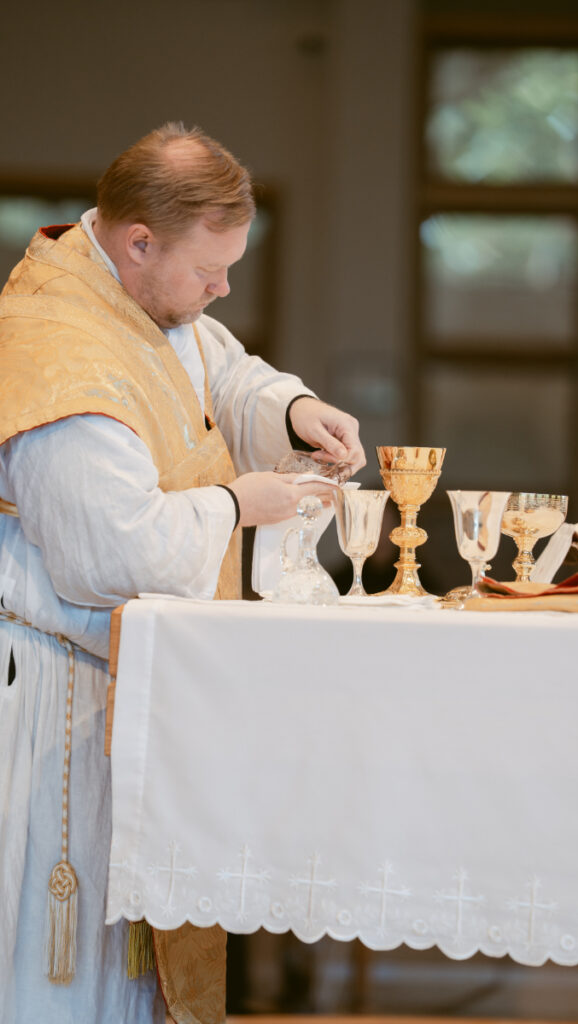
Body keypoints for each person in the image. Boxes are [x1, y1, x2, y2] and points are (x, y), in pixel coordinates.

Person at [0, 122, 365, 1024]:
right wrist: (240, 506)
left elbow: (222, 374)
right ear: (137, 242)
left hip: (131, 683)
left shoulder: (138, 299)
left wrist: (298, 411)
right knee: (63, 975)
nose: (222, 288)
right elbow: (110, 559)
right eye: (209, 270)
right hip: (58, 704)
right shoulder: (62, 349)